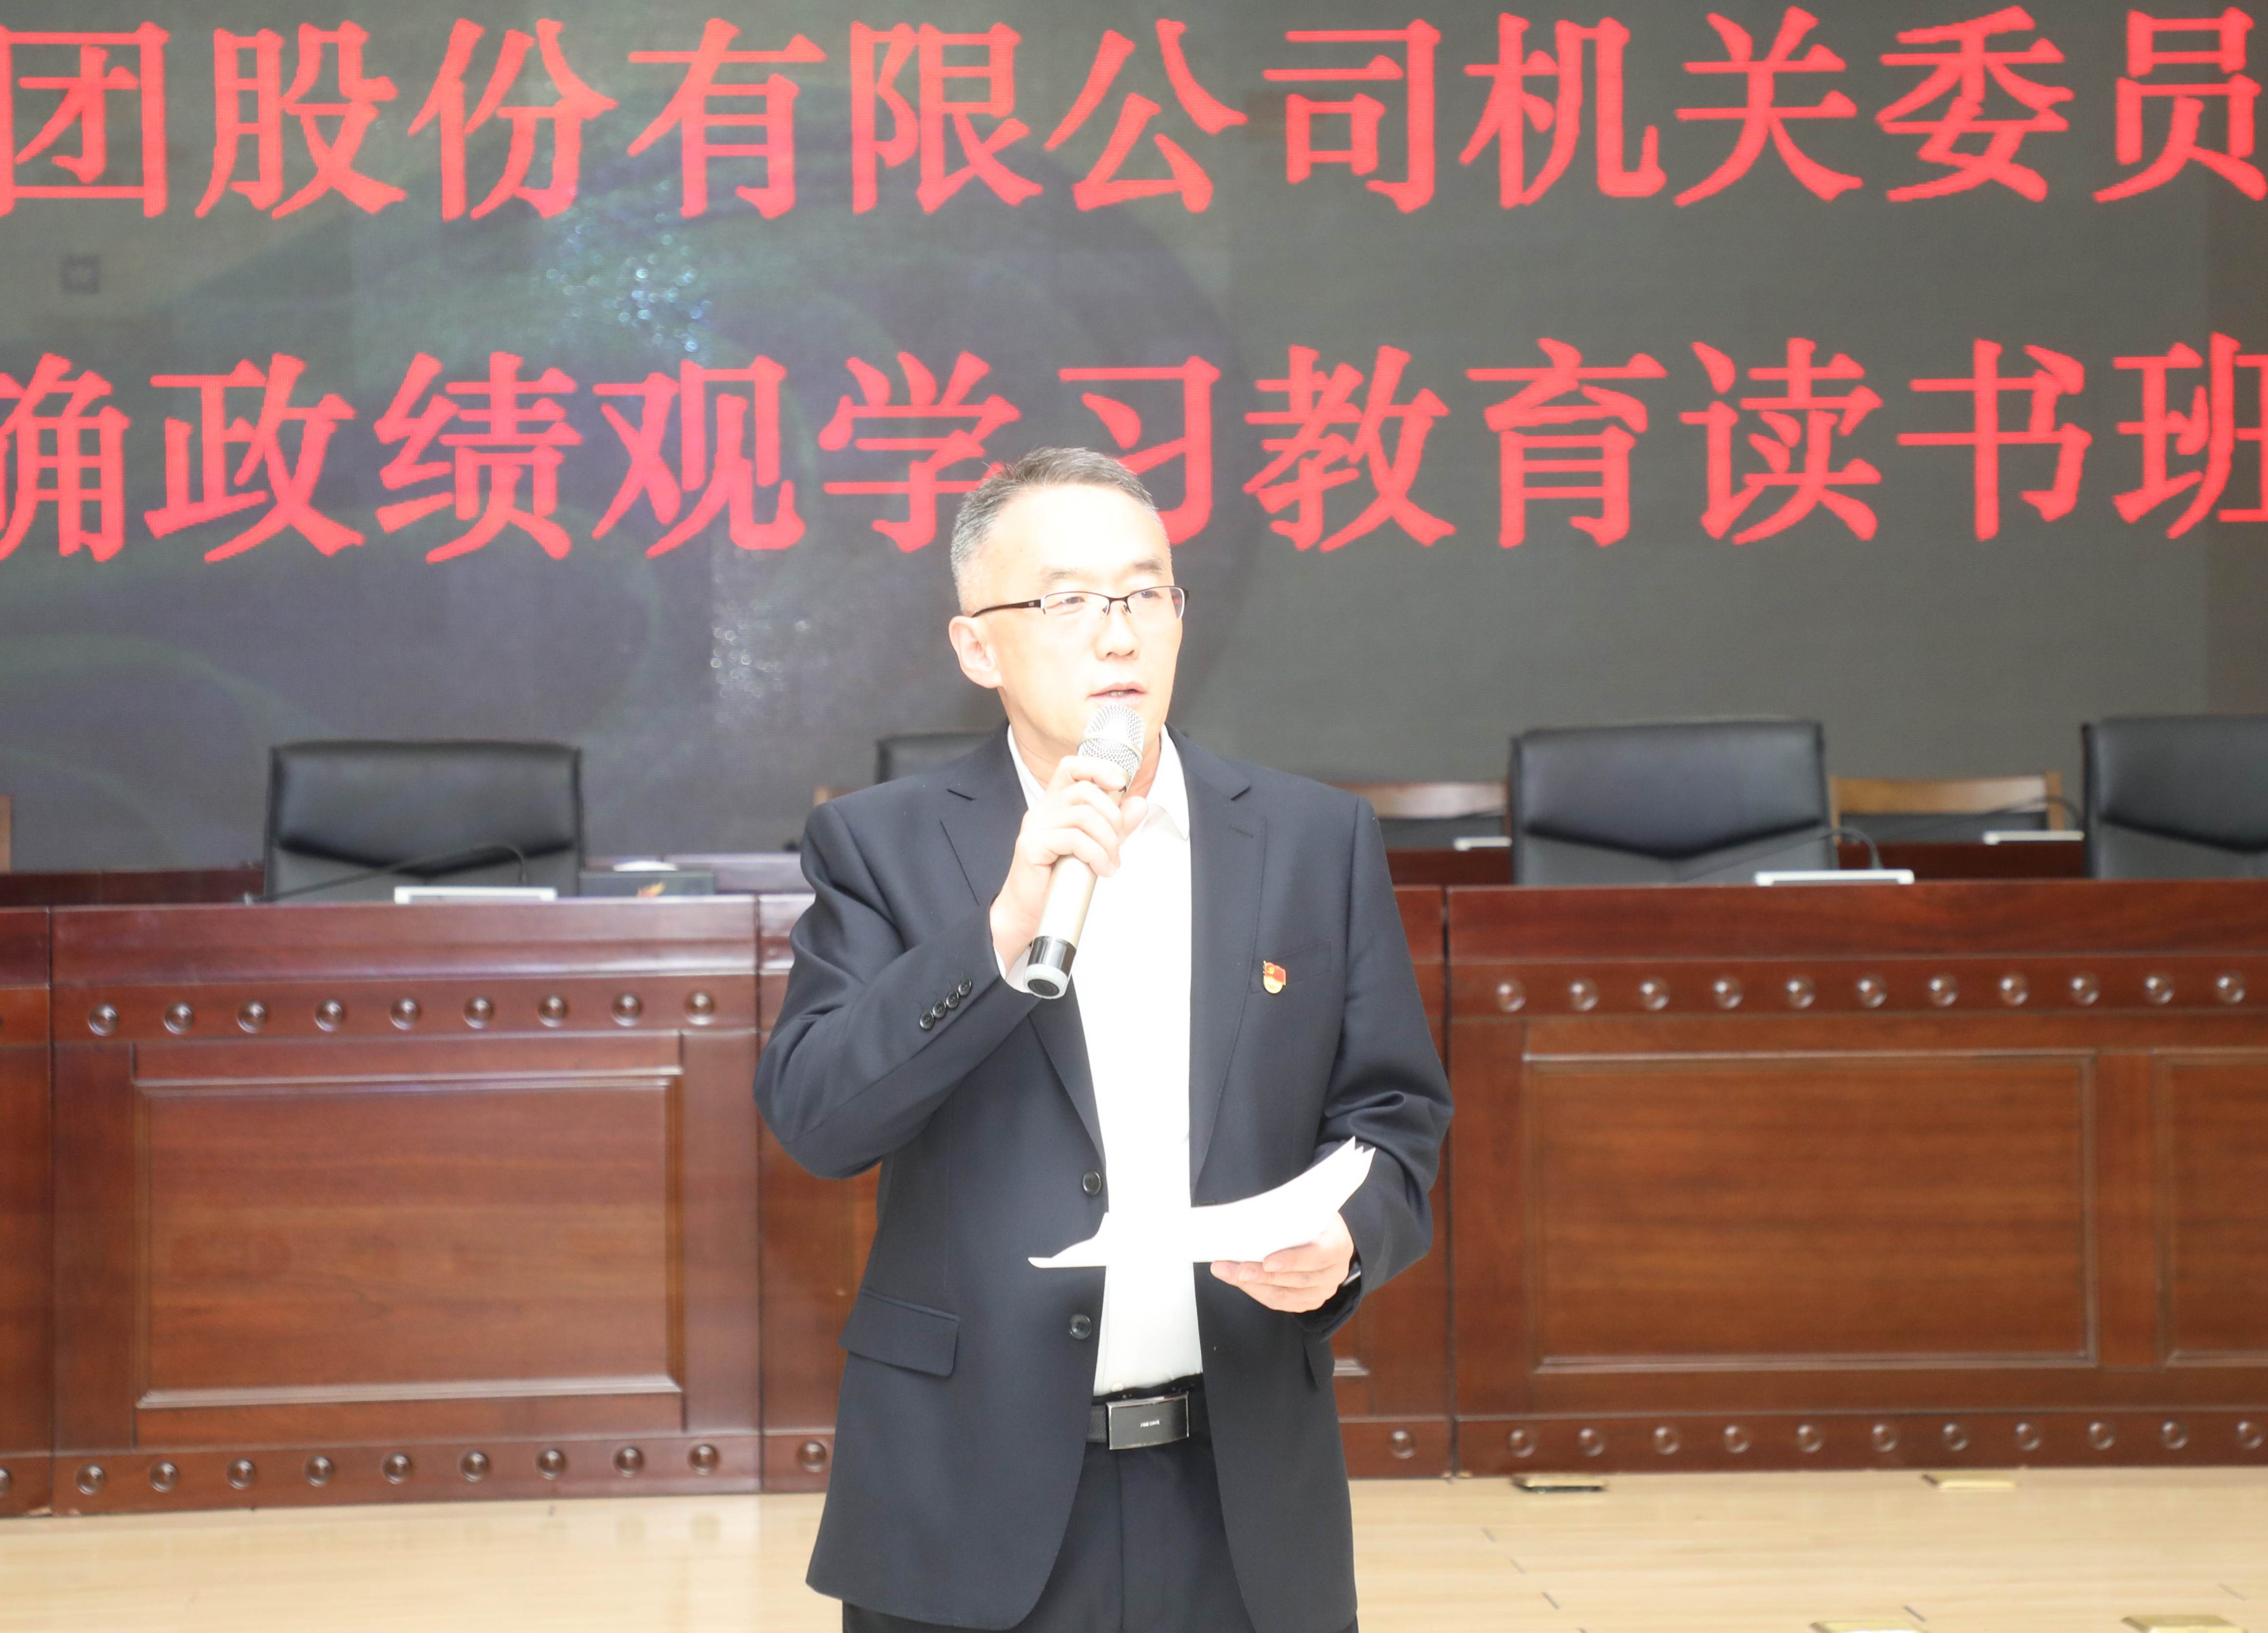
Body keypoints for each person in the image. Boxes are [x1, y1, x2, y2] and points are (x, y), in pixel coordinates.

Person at [755, 446, 1453, 1633]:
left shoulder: (1311, 839)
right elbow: (819, 1119)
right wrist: (999, 934)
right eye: (1069, 600)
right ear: (978, 647)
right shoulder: (880, 845)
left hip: (1240, 1497)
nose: (1118, 634)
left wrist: (1346, 1242)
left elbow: (1397, 1116)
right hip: (965, 1492)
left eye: (1144, 593)